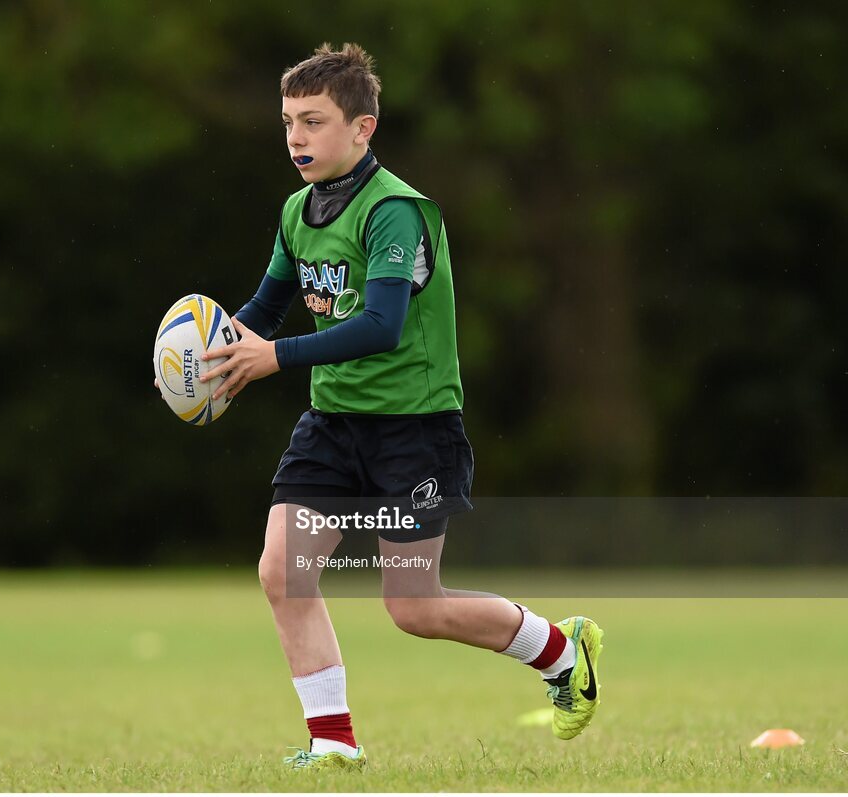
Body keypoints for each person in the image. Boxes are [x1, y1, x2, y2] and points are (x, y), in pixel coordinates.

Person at [159, 42, 603, 771]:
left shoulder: (395, 211)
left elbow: (381, 326)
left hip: (414, 429)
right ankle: (333, 742)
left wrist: (274, 358)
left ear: (363, 129)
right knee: (283, 571)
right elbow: (266, 309)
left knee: (414, 608)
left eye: (314, 121)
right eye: (288, 123)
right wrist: (197, 364)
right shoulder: (298, 211)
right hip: (332, 425)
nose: (297, 138)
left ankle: (562, 650)